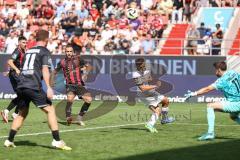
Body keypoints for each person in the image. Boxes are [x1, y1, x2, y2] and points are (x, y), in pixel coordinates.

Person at [4, 30, 71, 150]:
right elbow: (45, 70)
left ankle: (9, 140)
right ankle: (56, 141)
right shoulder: (44, 51)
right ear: (47, 39)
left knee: (22, 114)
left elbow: (25, 68)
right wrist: (49, 87)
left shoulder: (28, 51)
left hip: (21, 86)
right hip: (32, 86)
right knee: (50, 110)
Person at [185, 61, 240, 141]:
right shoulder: (233, 72)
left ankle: (210, 133)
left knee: (210, 106)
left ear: (219, 70)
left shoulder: (221, 81)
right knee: (233, 117)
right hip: (237, 101)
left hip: (235, 103)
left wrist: (194, 93)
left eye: (215, 70)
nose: (215, 72)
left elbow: (208, 89)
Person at [132, 58, 174, 133]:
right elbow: (142, 88)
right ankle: (150, 124)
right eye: (141, 66)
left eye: (143, 65)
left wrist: (152, 80)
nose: (143, 66)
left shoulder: (147, 69)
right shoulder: (135, 74)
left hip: (150, 91)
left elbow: (149, 78)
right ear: (138, 65)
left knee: (166, 100)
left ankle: (164, 119)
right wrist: (155, 86)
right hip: (143, 94)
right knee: (157, 111)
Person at [54, 44, 92, 126]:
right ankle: (68, 117)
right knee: (70, 98)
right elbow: (55, 71)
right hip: (69, 85)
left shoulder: (78, 59)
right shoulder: (62, 62)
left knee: (89, 100)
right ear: (65, 52)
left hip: (79, 85)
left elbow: (88, 66)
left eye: (70, 51)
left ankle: (79, 118)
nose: (69, 53)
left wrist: (85, 74)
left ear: (73, 52)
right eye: (67, 51)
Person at [1, 36, 27, 123]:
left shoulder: (23, 52)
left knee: (23, 95)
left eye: (25, 42)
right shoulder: (17, 51)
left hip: (16, 75)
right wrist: (15, 69)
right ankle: (11, 113)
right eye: (23, 42)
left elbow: (16, 63)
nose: (25, 44)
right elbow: (10, 61)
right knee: (24, 94)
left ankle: (13, 113)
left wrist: (11, 71)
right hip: (15, 76)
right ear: (19, 43)